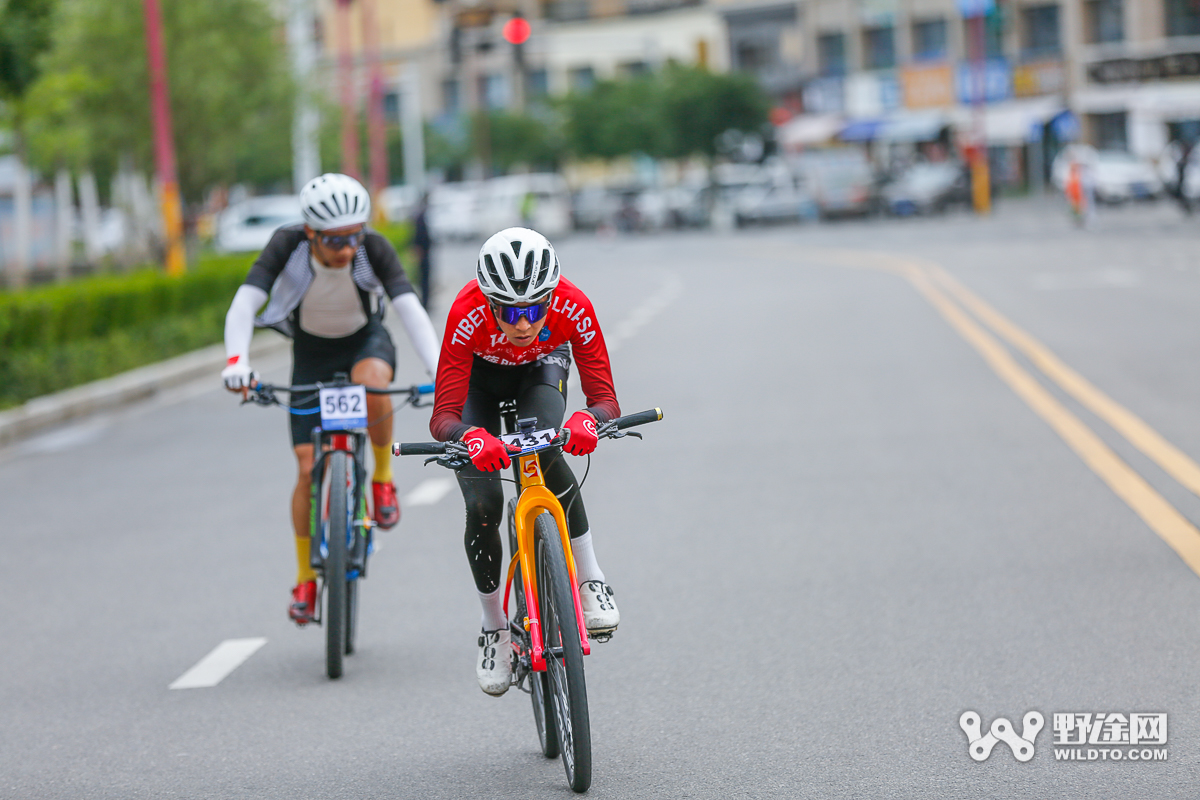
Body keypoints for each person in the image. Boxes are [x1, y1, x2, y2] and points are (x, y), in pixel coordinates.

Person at [221, 173, 440, 625]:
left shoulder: (372, 249)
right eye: (333, 240)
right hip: (311, 353)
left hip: (365, 342)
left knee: (374, 381)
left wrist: (439, 369)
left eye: (352, 237)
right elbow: (244, 304)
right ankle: (305, 578)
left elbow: (409, 308)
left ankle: (380, 479)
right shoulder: (287, 246)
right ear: (310, 234)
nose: (345, 250)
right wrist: (237, 362)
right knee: (305, 469)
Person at [429, 227, 620, 696]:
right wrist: (470, 436)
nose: (523, 323)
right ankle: (494, 625)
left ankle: (590, 577)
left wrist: (588, 420)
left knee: (547, 447)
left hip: (541, 371)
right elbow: (443, 418)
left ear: (552, 295)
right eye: (510, 312)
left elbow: (606, 401)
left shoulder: (574, 303)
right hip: (479, 380)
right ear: (488, 302)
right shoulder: (465, 313)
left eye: (536, 309)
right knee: (484, 504)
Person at [411, 193, 433, 309]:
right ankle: (425, 303)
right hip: (423, 253)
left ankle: (427, 302)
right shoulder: (420, 217)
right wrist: (417, 250)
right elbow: (417, 236)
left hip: (426, 252)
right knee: (424, 279)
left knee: (426, 278)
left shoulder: (422, 216)